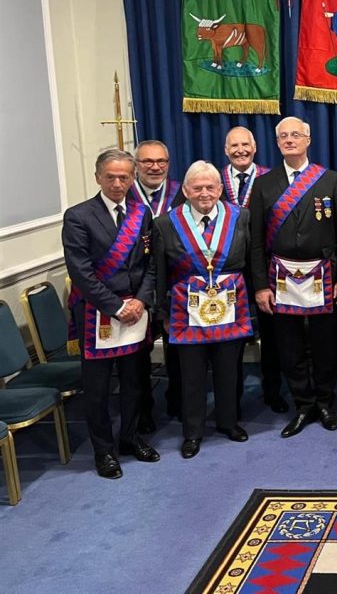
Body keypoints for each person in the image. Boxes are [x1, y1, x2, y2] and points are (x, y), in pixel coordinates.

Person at [249, 116, 337, 438]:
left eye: (295, 135)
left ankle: (325, 402)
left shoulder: (330, 180)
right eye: (283, 136)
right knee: (289, 346)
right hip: (280, 277)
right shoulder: (264, 184)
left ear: (308, 140)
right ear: (277, 143)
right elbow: (256, 241)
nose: (289, 140)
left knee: (325, 344)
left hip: (323, 275)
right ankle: (303, 404)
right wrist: (260, 286)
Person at [63, 148, 160, 479]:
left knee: (135, 382)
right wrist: (117, 307)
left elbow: (150, 264)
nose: (118, 184)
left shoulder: (141, 213)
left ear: (132, 178)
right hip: (98, 313)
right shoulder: (78, 216)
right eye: (111, 177)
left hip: (135, 312)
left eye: (124, 177)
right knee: (98, 390)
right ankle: (103, 451)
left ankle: (130, 438)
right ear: (98, 178)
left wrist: (141, 301)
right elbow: (81, 272)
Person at [152, 161, 252, 459]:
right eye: (197, 188)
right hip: (186, 310)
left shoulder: (240, 217)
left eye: (210, 187)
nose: (204, 193)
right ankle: (192, 432)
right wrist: (162, 313)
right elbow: (160, 272)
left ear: (220, 189)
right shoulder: (166, 223)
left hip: (231, 305)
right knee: (191, 375)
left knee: (228, 369)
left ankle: (228, 422)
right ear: (185, 190)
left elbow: (250, 260)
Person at [222, 126, 285, 414]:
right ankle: (230, 397)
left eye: (245, 144)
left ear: (255, 147)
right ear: (226, 150)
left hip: (265, 267)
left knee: (272, 334)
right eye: (234, 146)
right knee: (229, 335)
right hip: (226, 271)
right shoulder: (214, 181)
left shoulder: (272, 180)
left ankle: (273, 390)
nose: (240, 150)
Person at [130, 139, 184, 434]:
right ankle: (143, 411)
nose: (155, 167)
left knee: (177, 349)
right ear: (136, 165)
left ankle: (178, 400)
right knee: (138, 354)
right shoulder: (124, 194)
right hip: (136, 288)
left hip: (174, 285)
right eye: (148, 162)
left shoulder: (182, 194)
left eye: (161, 161)